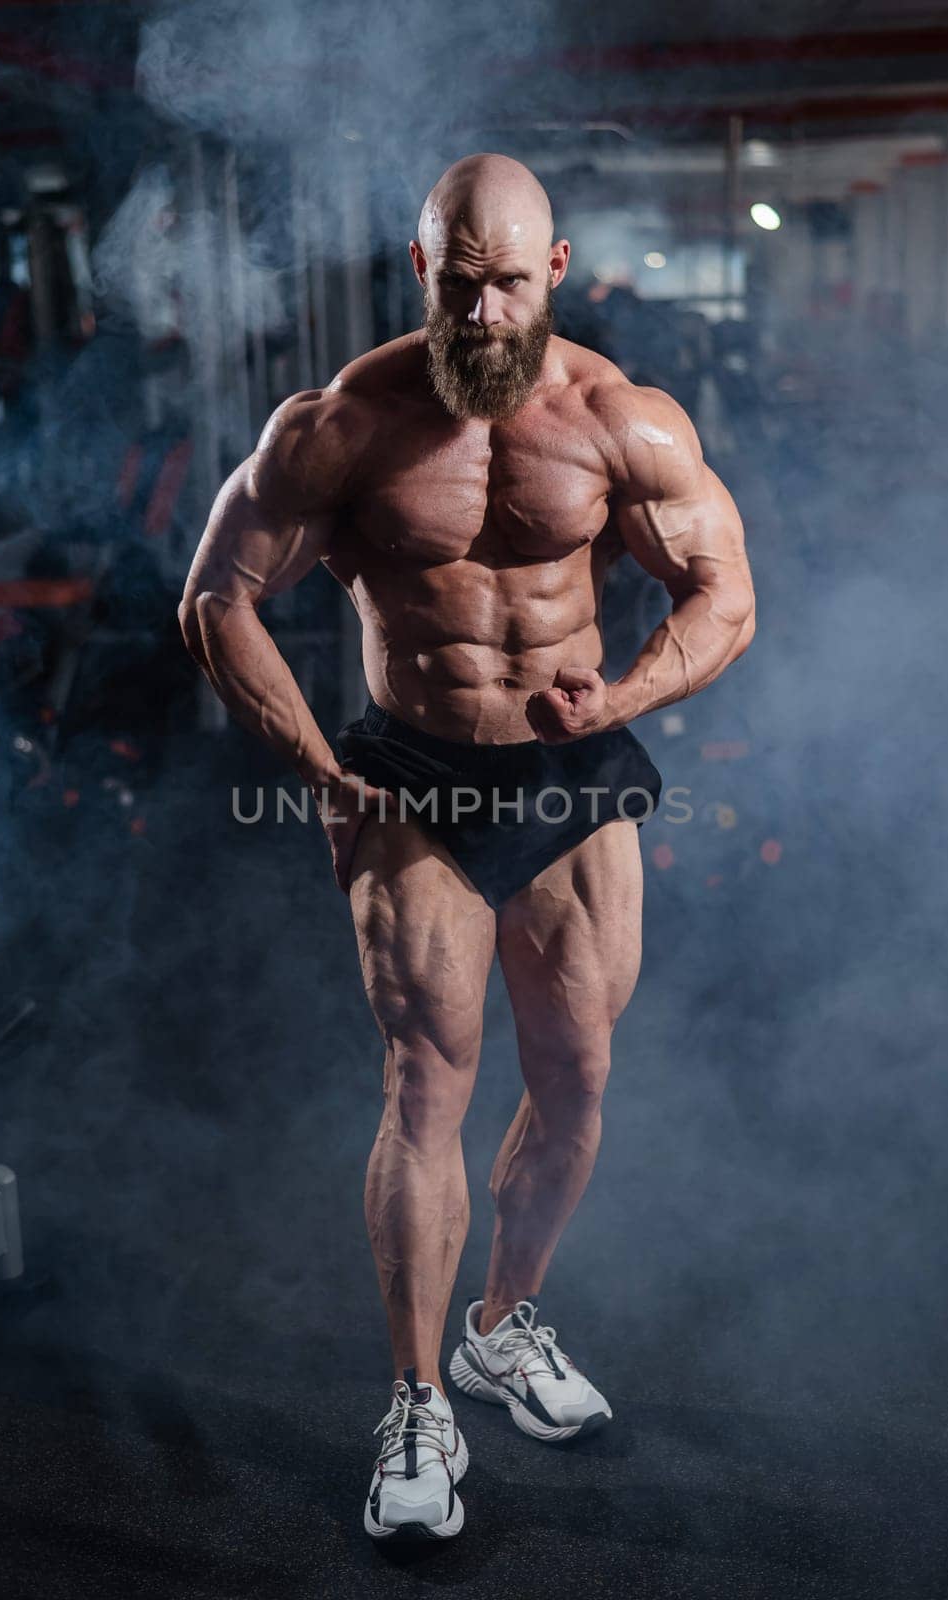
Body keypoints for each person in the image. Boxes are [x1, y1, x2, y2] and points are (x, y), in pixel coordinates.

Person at [179, 153, 755, 1542]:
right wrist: (323, 773)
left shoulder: (626, 420)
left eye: (510, 281)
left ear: (553, 272)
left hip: (569, 764)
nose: (484, 311)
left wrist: (617, 698)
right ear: (420, 267)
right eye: (459, 279)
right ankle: (419, 1399)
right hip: (413, 776)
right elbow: (218, 598)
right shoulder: (344, 425)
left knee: (576, 1079)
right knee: (427, 1085)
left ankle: (505, 1325)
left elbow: (724, 592)